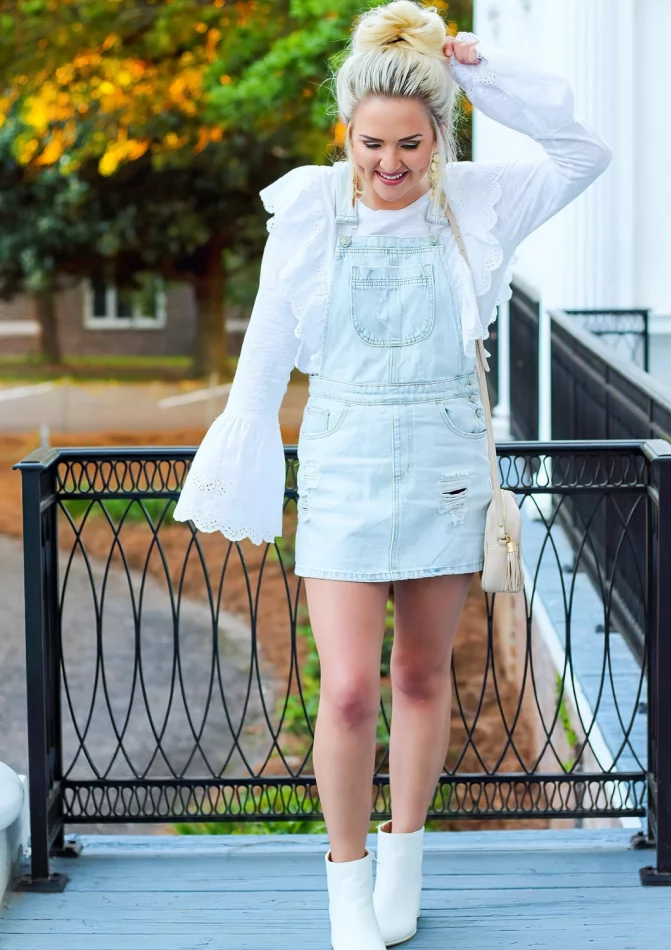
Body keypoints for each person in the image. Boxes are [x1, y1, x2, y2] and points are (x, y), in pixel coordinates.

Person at [174, 1, 611, 946]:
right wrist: (241, 453)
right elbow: (266, 353)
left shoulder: (483, 198)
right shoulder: (307, 209)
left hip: (448, 464)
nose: (390, 164)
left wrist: (482, 70)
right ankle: (345, 888)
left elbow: (585, 156)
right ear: (346, 134)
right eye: (371, 143)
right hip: (344, 462)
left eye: (411, 143)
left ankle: (405, 860)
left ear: (439, 137)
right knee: (346, 690)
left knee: (418, 676)